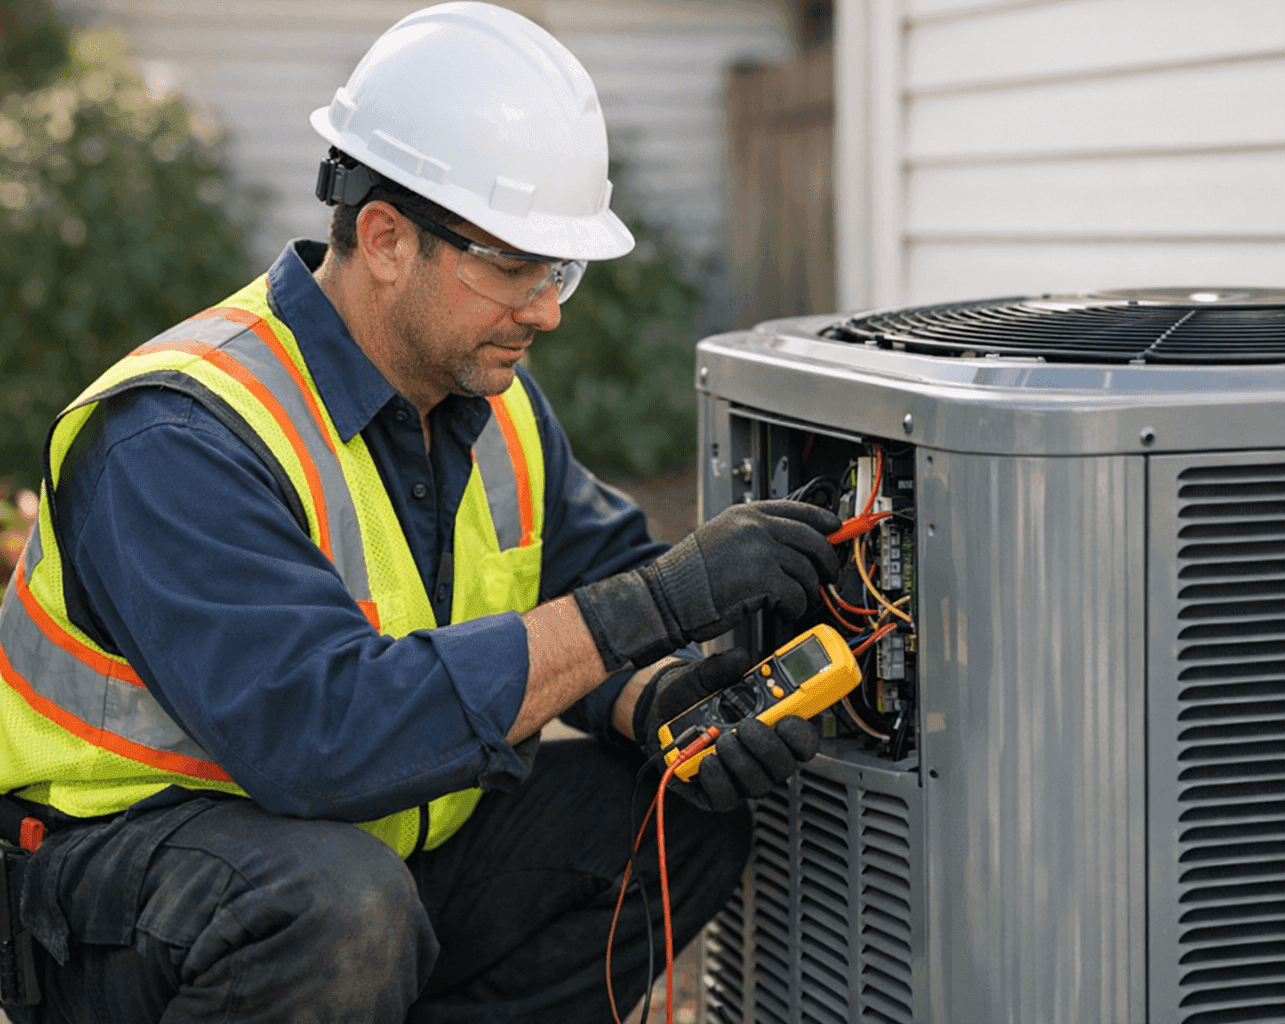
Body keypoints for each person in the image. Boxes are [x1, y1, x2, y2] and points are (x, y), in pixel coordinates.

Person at [0, 4, 841, 1021]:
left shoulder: (496, 407)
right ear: (387, 238)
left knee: (679, 814)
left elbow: (585, 595)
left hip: (372, 846)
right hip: (119, 892)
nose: (550, 309)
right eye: (518, 264)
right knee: (336, 905)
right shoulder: (177, 435)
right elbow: (321, 739)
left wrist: (665, 705)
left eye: (561, 268)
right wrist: (654, 601)